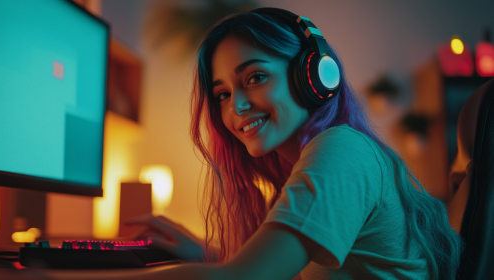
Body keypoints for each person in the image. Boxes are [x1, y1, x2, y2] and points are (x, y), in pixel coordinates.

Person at [126, 8, 463, 280]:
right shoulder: (323, 157)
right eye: (223, 94)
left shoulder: (341, 151)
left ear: (314, 77)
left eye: (255, 78)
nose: (236, 107)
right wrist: (207, 251)